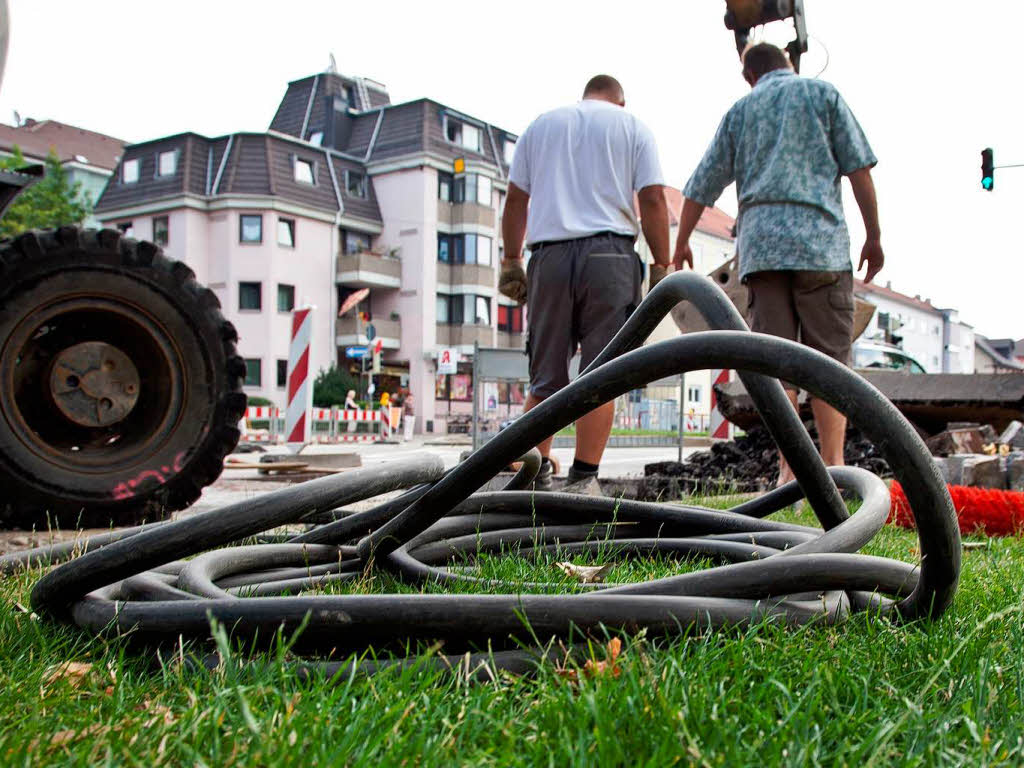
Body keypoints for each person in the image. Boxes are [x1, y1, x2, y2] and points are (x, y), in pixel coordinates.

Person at [674, 42, 883, 485]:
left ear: (749, 75)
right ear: (788, 63)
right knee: (830, 363)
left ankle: (790, 473)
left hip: (764, 254)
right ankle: (834, 467)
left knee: (777, 364)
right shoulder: (824, 96)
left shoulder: (741, 111)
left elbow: (700, 186)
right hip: (822, 248)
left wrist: (680, 246)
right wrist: (874, 235)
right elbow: (859, 168)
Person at [500, 74, 671, 489]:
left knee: (545, 375)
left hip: (549, 258)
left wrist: (510, 259)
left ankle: (533, 473)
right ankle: (583, 478)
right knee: (602, 373)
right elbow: (652, 200)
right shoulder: (632, 127)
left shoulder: (541, 126)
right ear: (620, 101)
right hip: (609, 259)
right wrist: (663, 266)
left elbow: (516, 200)